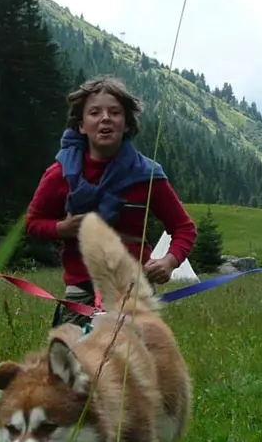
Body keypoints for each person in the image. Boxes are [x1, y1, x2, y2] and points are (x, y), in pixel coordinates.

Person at [25, 77, 197, 330]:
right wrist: (62, 229)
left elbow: (184, 228)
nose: (105, 118)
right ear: (82, 126)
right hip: (80, 294)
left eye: (115, 112)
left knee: (130, 369)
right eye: (95, 112)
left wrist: (169, 262)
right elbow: (32, 223)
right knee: (72, 368)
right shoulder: (59, 173)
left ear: (127, 124)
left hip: (134, 292)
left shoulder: (148, 174)